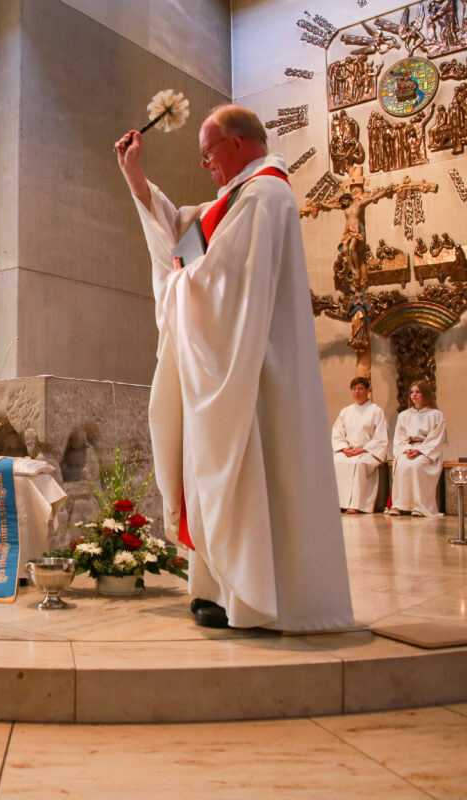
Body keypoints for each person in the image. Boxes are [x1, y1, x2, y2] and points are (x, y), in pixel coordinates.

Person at [116, 104, 353, 631]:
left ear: (237, 143)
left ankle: (250, 596)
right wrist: (134, 174)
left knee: (247, 472)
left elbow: (217, 283)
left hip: (252, 372)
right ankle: (219, 587)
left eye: (208, 154)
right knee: (218, 471)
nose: (206, 166)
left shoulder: (264, 195)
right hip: (231, 359)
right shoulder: (238, 197)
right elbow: (180, 235)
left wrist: (178, 284)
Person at [388, 380, 447, 517]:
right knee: (402, 464)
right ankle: (400, 505)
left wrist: (420, 450)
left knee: (417, 465)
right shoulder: (404, 415)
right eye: (412, 392)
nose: (414, 395)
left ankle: (420, 506)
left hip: (426, 451)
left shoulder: (436, 415)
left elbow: (437, 437)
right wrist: (406, 449)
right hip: (408, 449)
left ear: (425, 394)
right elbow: (399, 437)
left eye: (418, 392)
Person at [331, 377, 389, 513]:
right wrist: (344, 448)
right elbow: (337, 432)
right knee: (336, 461)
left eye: (360, 389)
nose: (357, 392)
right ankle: (339, 503)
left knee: (359, 464)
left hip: (368, 452)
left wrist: (363, 450)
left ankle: (356, 505)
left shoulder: (376, 411)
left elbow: (380, 437)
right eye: (354, 389)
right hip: (348, 451)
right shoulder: (346, 411)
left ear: (368, 390)